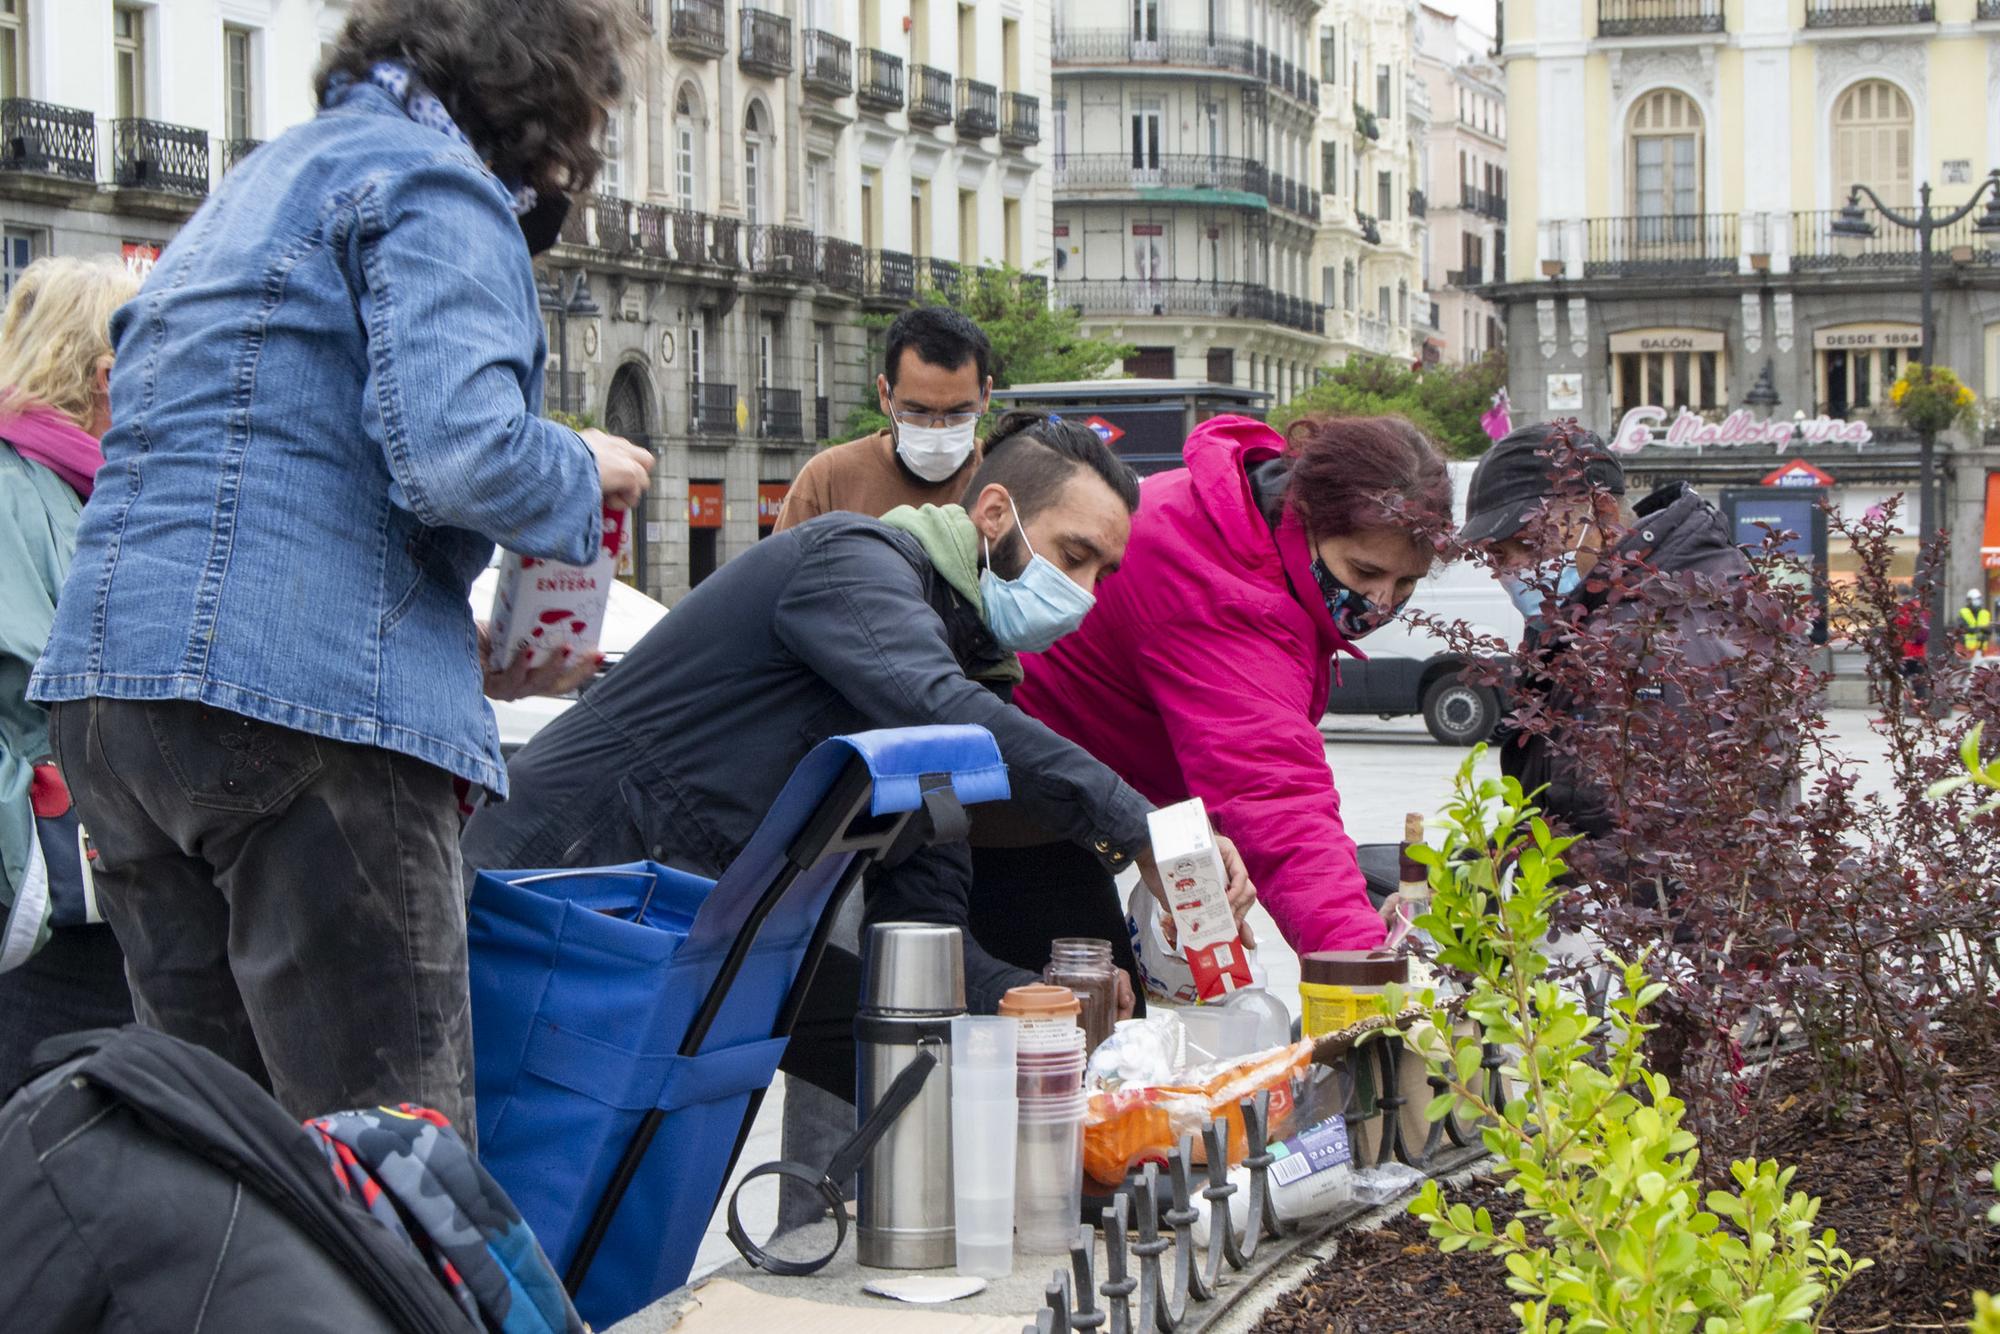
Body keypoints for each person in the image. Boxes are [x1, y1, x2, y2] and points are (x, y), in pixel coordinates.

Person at [29, 0, 656, 1134]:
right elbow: (460, 453)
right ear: (539, 99)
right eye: (585, 132)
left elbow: (245, 445)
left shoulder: (257, 186)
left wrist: (432, 634)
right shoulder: (434, 181)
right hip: (303, 714)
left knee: (223, 1158)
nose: (578, 167)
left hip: (116, 700)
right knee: (390, 1158)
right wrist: (583, 464)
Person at [460, 413, 1257, 1102]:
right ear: (992, 513)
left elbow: (920, 926)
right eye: (1073, 554)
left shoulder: (968, 673)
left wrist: (1025, 998)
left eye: (1101, 574)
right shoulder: (854, 562)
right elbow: (937, 709)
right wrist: (1143, 827)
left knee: (910, 1061)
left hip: (672, 931)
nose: (1082, 593)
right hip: (547, 886)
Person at [992, 412, 1454, 983]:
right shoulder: (1214, 583)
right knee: (1077, 1020)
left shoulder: (1244, 523)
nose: (1380, 600)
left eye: (1405, 584)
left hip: (1085, 803)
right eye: (1364, 571)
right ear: (1305, 515)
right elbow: (1277, 802)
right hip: (1013, 815)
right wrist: (1363, 970)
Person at [1459, 421, 1751, 848]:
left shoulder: (1649, 639)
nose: (1514, 569)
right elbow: (1566, 816)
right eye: (1498, 556)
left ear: (1603, 515)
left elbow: (1651, 855)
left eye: (1529, 543)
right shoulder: (1596, 621)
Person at [0, 257, 141, 1088]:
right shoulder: (27, 495)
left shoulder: (60, 486)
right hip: (59, 904)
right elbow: (36, 691)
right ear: (105, 378)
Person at [772, 307, 992, 531]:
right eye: (917, 412)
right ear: (884, 394)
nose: (937, 431)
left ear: (985, 396)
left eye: (957, 413)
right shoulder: (826, 481)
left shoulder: (1004, 477)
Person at [1959, 588, 1990, 657]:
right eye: (1975, 599)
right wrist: (1978, 629)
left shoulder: (1985, 613)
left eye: (1979, 599)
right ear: (1969, 600)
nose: (1977, 601)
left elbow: (1989, 630)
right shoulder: (1963, 612)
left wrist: (1984, 629)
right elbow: (1962, 628)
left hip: (1983, 650)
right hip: (1967, 650)